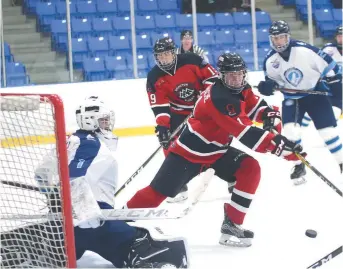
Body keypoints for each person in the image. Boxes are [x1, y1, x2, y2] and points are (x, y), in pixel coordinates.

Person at [126, 52, 305, 248]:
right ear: (221, 76)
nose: (236, 79)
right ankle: (119, 222)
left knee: (249, 168)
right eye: (231, 75)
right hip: (188, 155)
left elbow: (254, 105)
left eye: (239, 74)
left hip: (217, 152)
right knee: (155, 195)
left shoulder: (240, 87)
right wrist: (281, 147)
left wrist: (270, 116)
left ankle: (232, 225)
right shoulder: (219, 98)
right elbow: (246, 133)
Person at [0, 96, 189, 269]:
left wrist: (53, 195)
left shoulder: (69, 141)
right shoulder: (91, 144)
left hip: (62, 222)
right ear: (90, 120)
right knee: (140, 242)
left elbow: (41, 173)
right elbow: (73, 178)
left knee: (64, 251)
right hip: (90, 220)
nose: (108, 124)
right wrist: (86, 216)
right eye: (103, 120)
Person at [258, 20, 343, 178]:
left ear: (288, 37)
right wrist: (268, 87)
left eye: (282, 37)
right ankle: (299, 165)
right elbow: (273, 82)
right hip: (293, 99)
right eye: (275, 38)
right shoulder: (270, 60)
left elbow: (331, 66)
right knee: (290, 134)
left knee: (328, 133)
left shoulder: (305, 50)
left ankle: (341, 162)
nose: (279, 42)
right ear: (271, 39)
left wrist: (335, 85)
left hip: (315, 95)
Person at [148, 36, 219, 203]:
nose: (163, 58)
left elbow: (213, 80)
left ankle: (232, 175)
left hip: (204, 107)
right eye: (159, 55)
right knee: (168, 141)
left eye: (166, 54)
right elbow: (160, 105)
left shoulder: (192, 60)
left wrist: (206, 96)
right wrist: (163, 127)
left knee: (217, 138)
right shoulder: (154, 76)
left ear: (174, 53)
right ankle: (178, 186)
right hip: (178, 112)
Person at [301, 25, 342, 127]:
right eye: (339, 36)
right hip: (327, 87)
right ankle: (299, 131)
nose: (341, 39)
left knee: (334, 113)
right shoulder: (328, 49)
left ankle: (330, 139)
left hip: (339, 93)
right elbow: (317, 64)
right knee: (312, 110)